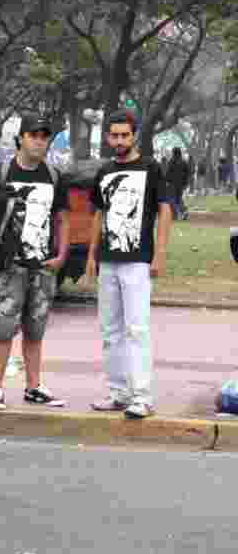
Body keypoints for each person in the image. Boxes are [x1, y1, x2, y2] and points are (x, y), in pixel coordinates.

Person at [85, 109, 172, 419]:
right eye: (115, 135)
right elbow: (99, 213)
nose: (120, 140)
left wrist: (160, 253)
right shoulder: (104, 171)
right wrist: (92, 254)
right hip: (108, 261)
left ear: (134, 136)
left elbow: (165, 210)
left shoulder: (151, 168)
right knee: (110, 331)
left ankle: (142, 397)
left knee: (137, 329)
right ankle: (118, 393)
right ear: (108, 137)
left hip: (137, 261)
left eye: (125, 135)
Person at [0, 115, 69, 410]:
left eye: (44, 137)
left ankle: (34, 386)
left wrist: (61, 255)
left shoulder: (54, 175)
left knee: (36, 329)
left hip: (43, 265)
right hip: (10, 265)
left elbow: (62, 217)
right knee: (3, 328)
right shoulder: (2, 172)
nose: (39, 141)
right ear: (21, 138)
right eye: (33, 135)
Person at [164, 147, 189, 221]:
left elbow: (168, 172)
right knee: (179, 198)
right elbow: (187, 173)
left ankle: (175, 214)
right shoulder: (184, 162)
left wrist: (166, 181)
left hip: (172, 183)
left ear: (174, 153)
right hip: (181, 184)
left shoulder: (172, 161)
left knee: (172, 198)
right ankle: (184, 211)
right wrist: (185, 183)